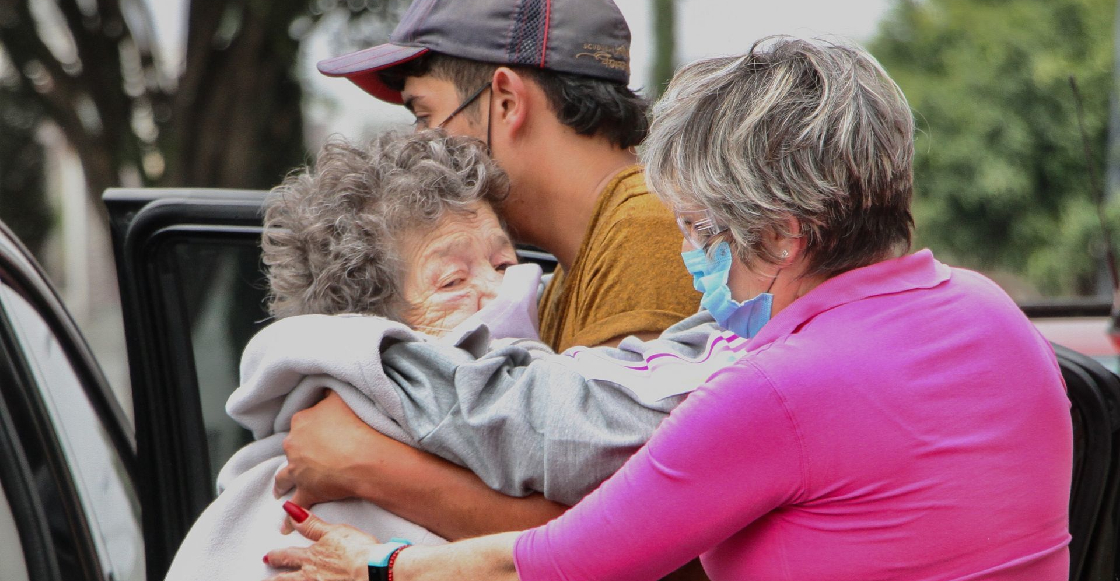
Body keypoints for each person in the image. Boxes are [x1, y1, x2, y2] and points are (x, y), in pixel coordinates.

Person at [263, 37, 1073, 581]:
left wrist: (381, 564)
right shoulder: (993, 314)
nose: (690, 255)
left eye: (698, 229)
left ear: (782, 235)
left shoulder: (779, 390)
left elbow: (562, 561)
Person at [165, 130, 729, 581]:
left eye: (505, 264)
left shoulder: (555, 393)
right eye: (452, 281)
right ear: (370, 325)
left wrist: (369, 465)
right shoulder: (339, 435)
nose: (500, 290)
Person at [273, 2, 706, 569]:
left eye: (425, 115)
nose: (423, 146)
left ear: (506, 100)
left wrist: (366, 463)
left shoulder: (649, 232)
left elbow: (622, 536)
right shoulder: (567, 267)